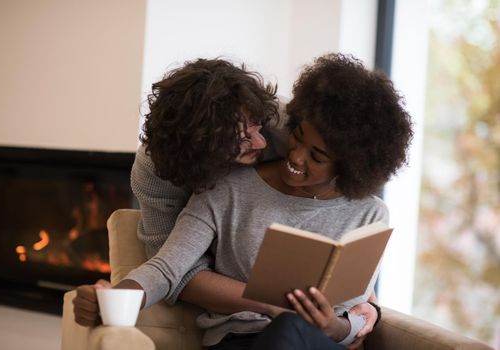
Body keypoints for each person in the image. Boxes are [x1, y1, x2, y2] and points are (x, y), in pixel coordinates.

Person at [73, 56, 389, 347]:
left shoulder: (286, 123)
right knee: (287, 328)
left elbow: (351, 313)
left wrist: (362, 312)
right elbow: (169, 268)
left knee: (290, 330)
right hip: (241, 336)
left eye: (257, 128)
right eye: (241, 140)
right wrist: (114, 298)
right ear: (205, 156)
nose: (264, 142)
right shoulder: (204, 184)